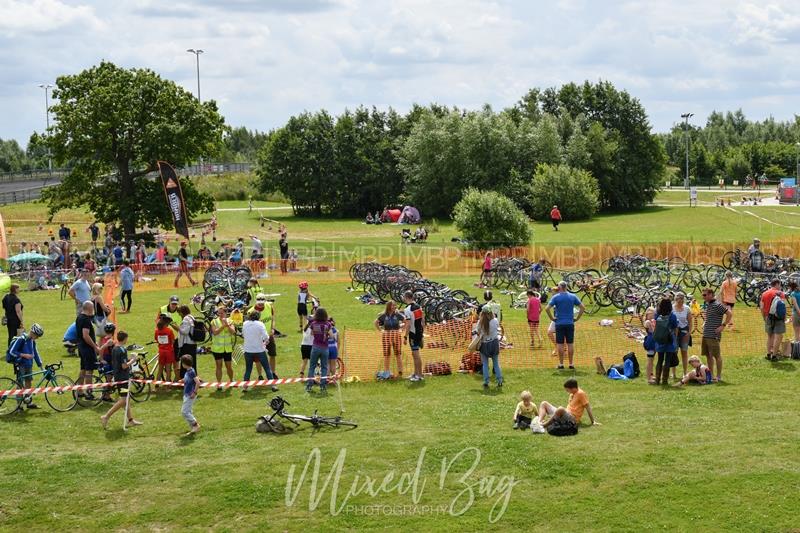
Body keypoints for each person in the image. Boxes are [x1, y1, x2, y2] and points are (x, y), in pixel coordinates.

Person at [100, 331, 143, 429]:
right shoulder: (122, 350)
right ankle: (106, 416)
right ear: (125, 339)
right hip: (123, 378)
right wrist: (133, 360)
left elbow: (119, 362)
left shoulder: (115, 348)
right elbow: (124, 366)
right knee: (123, 400)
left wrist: (128, 359)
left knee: (126, 399)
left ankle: (131, 420)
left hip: (118, 376)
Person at [546, 281, 585, 370]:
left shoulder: (556, 297)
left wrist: (552, 318)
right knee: (570, 344)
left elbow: (547, 308)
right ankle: (571, 364)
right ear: (566, 287)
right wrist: (577, 318)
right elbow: (582, 307)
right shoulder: (573, 296)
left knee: (560, 344)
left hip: (559, 323)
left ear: (559, 287)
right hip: (570, 323)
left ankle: (561, 364)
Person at [7, 323, 44, 410]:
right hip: (20, 365)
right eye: (37, 336)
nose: (37, 338)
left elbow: (35, 353)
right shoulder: (21, 339)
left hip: (29, 365)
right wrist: (24, 355)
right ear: (32, 333)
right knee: (20, 384)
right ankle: (19, 405)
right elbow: (12, 351)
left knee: (28, 382)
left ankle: (29, 402)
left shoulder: (32, 341)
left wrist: (40, 365)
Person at [700, 288, 732, 382]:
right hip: (706, 334)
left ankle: (718, 376)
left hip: (713, 335)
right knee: (708, 355)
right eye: (703, 295)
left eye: (705, 295)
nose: (703, 297)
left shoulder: (717, 305)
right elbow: (709, 317)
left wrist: (723, 325)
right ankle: (711, 375)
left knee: (716, 356)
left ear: (711, 295)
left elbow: (729, 314)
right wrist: (705, 323)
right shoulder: (708, 305)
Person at [241, 310, 277, 392]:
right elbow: (265, 337)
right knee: (267, 368)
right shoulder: (260, 324)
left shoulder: (245, 324)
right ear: (258, 317)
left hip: (248, 350)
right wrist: (266, 341)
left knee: (248, 369)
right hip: (259, 349)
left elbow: (243, 334)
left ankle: (245, 386)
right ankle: (273, 385)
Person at [248, 293, 278, 377]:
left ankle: (273, 373)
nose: (261, 303)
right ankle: (260, 375)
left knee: (272, 355)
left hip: (269, 336)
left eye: (262, 301)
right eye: (259, 301)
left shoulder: (269, 306)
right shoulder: (251, 312)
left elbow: (272, 318)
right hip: (258, 338)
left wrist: (272, 328)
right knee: (258, 359)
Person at [76, 301, 101, 401]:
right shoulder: (86, 320)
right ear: (90, 308)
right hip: (87, 348)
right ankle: (89, 392)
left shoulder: (79, 317)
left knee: (83, 369)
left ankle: (79, 390)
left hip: (81, 347)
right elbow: (85, 335)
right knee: (89, 370)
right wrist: (95, 346)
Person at [304, 307, 333, 392]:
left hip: (315, 347)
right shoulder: (327, 324)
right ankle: (323, 386)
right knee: (324, 367)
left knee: (312, 367)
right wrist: (327, 335)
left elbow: (312, 334)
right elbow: (331, 336)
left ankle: (309, 385)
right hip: (325, 348)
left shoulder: (313, 323)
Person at [474, 307, 502, 389]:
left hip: (484, 344)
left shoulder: (480, 322)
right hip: (494, 343)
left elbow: (478, 332)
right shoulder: (495, 320)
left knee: (485, 364)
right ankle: (499, 380)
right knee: (496, 364)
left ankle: (486, 382)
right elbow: (498, 329)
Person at [375, 301, 405, 378]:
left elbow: (406, 321)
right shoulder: (384, 315)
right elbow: (376, 322)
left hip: (396, 336)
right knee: (387, 355)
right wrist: (380, 330)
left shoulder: (397, 314)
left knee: (398, 354)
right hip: (386, 337)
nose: (394, 307)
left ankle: (400, 372)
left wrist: (402, 329)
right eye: (393, 306)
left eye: (395, 305)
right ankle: (386, 372)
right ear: (388, 307)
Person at [653, 298, 679, 386]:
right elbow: (675, 328)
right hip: (669, 340)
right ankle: (665, 380)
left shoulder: (657, 315)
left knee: (659, 360)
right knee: (667, 360)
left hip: (660, 340)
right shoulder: (672, 316)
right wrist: (675, 338)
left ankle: (657, 379)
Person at [208, 306, 235, 390]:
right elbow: (215, 332)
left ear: (226, 313)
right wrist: (223, 326)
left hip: (227, 348)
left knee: (229, 367)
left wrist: (227, 325)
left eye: (221, 313)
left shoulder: (230, 321)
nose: (220, 315)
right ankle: (219, 383)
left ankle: (231, 380)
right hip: (217, 349)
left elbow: (233, 332)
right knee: (218, 366)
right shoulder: (214, 321)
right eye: (218, 313)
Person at [760, 279, 786, 361]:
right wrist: (784, 318)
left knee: (770, 336)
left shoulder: (764, 293)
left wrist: (764, 317)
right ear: (777, 284)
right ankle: (774, 356)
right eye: (780, 284)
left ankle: (768, 354)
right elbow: (783, 308)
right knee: (778, 337)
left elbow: (761, 307)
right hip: (778, 318)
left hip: (768, 317)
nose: (780, 286)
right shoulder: (780, 293)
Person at [402, 290, 425, 382]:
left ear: (406, 297)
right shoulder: (419, 307)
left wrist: (405, 336)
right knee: (414, 354)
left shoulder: (407, 310)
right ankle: (416, 373)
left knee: (416, 355)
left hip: (413, 334)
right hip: (419, 332)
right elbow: (423, 320)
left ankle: (419, 375)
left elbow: (408, 325)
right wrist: (422, 333)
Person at [672, 293, 693, 376]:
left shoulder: (687, 308)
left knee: (684, 352)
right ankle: (673, 373)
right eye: (678, 298)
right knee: (674, 352)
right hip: (674, 333)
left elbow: (690, 321)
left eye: (681, 298)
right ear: (675, 299)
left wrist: (689, 332)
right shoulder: (672, 308)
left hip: (684, 332)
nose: (680, 300)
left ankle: (685, 373)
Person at [180, 354, 201, 435]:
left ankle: (196, 425)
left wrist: (194, 392)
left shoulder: (191, 371)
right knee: (188, 411)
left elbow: (198, 382)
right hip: (186, 394)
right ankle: (193, 427)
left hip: (190, 394)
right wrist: (182, 380)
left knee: (184, 412)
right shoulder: (189, 371)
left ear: (184, 364)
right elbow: (188, 379)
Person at [155, 315, 177, 383]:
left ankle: (157, 384)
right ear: (166, 324)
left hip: (161, 351)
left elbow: (156, 339)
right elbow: (173, 341)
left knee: (160, 369)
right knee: (168, 370)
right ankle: (167, 386)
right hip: (169, 352)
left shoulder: (157, 331)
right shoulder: (169, 331)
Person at [177, 305, 197, 378]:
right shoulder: (192, 317)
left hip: (187, 344)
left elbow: (185, 331)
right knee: (192, 363)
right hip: (193, 343)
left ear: (182, 312)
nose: (179, 315)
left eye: (179, 313)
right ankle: (194, 378)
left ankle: (184, 379)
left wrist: (177, 328)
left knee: (185, 363)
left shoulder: (186, 319)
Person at [642, 307, 657, 383]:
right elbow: (649, 327)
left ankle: (651, 374)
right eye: (650, 314)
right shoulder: (647, 322)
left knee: (652, 359)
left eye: (653, 314)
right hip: (650, 341)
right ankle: (649, 378)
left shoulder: (654, 320)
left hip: (655, 342)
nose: (652, 315)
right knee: (650, 359)